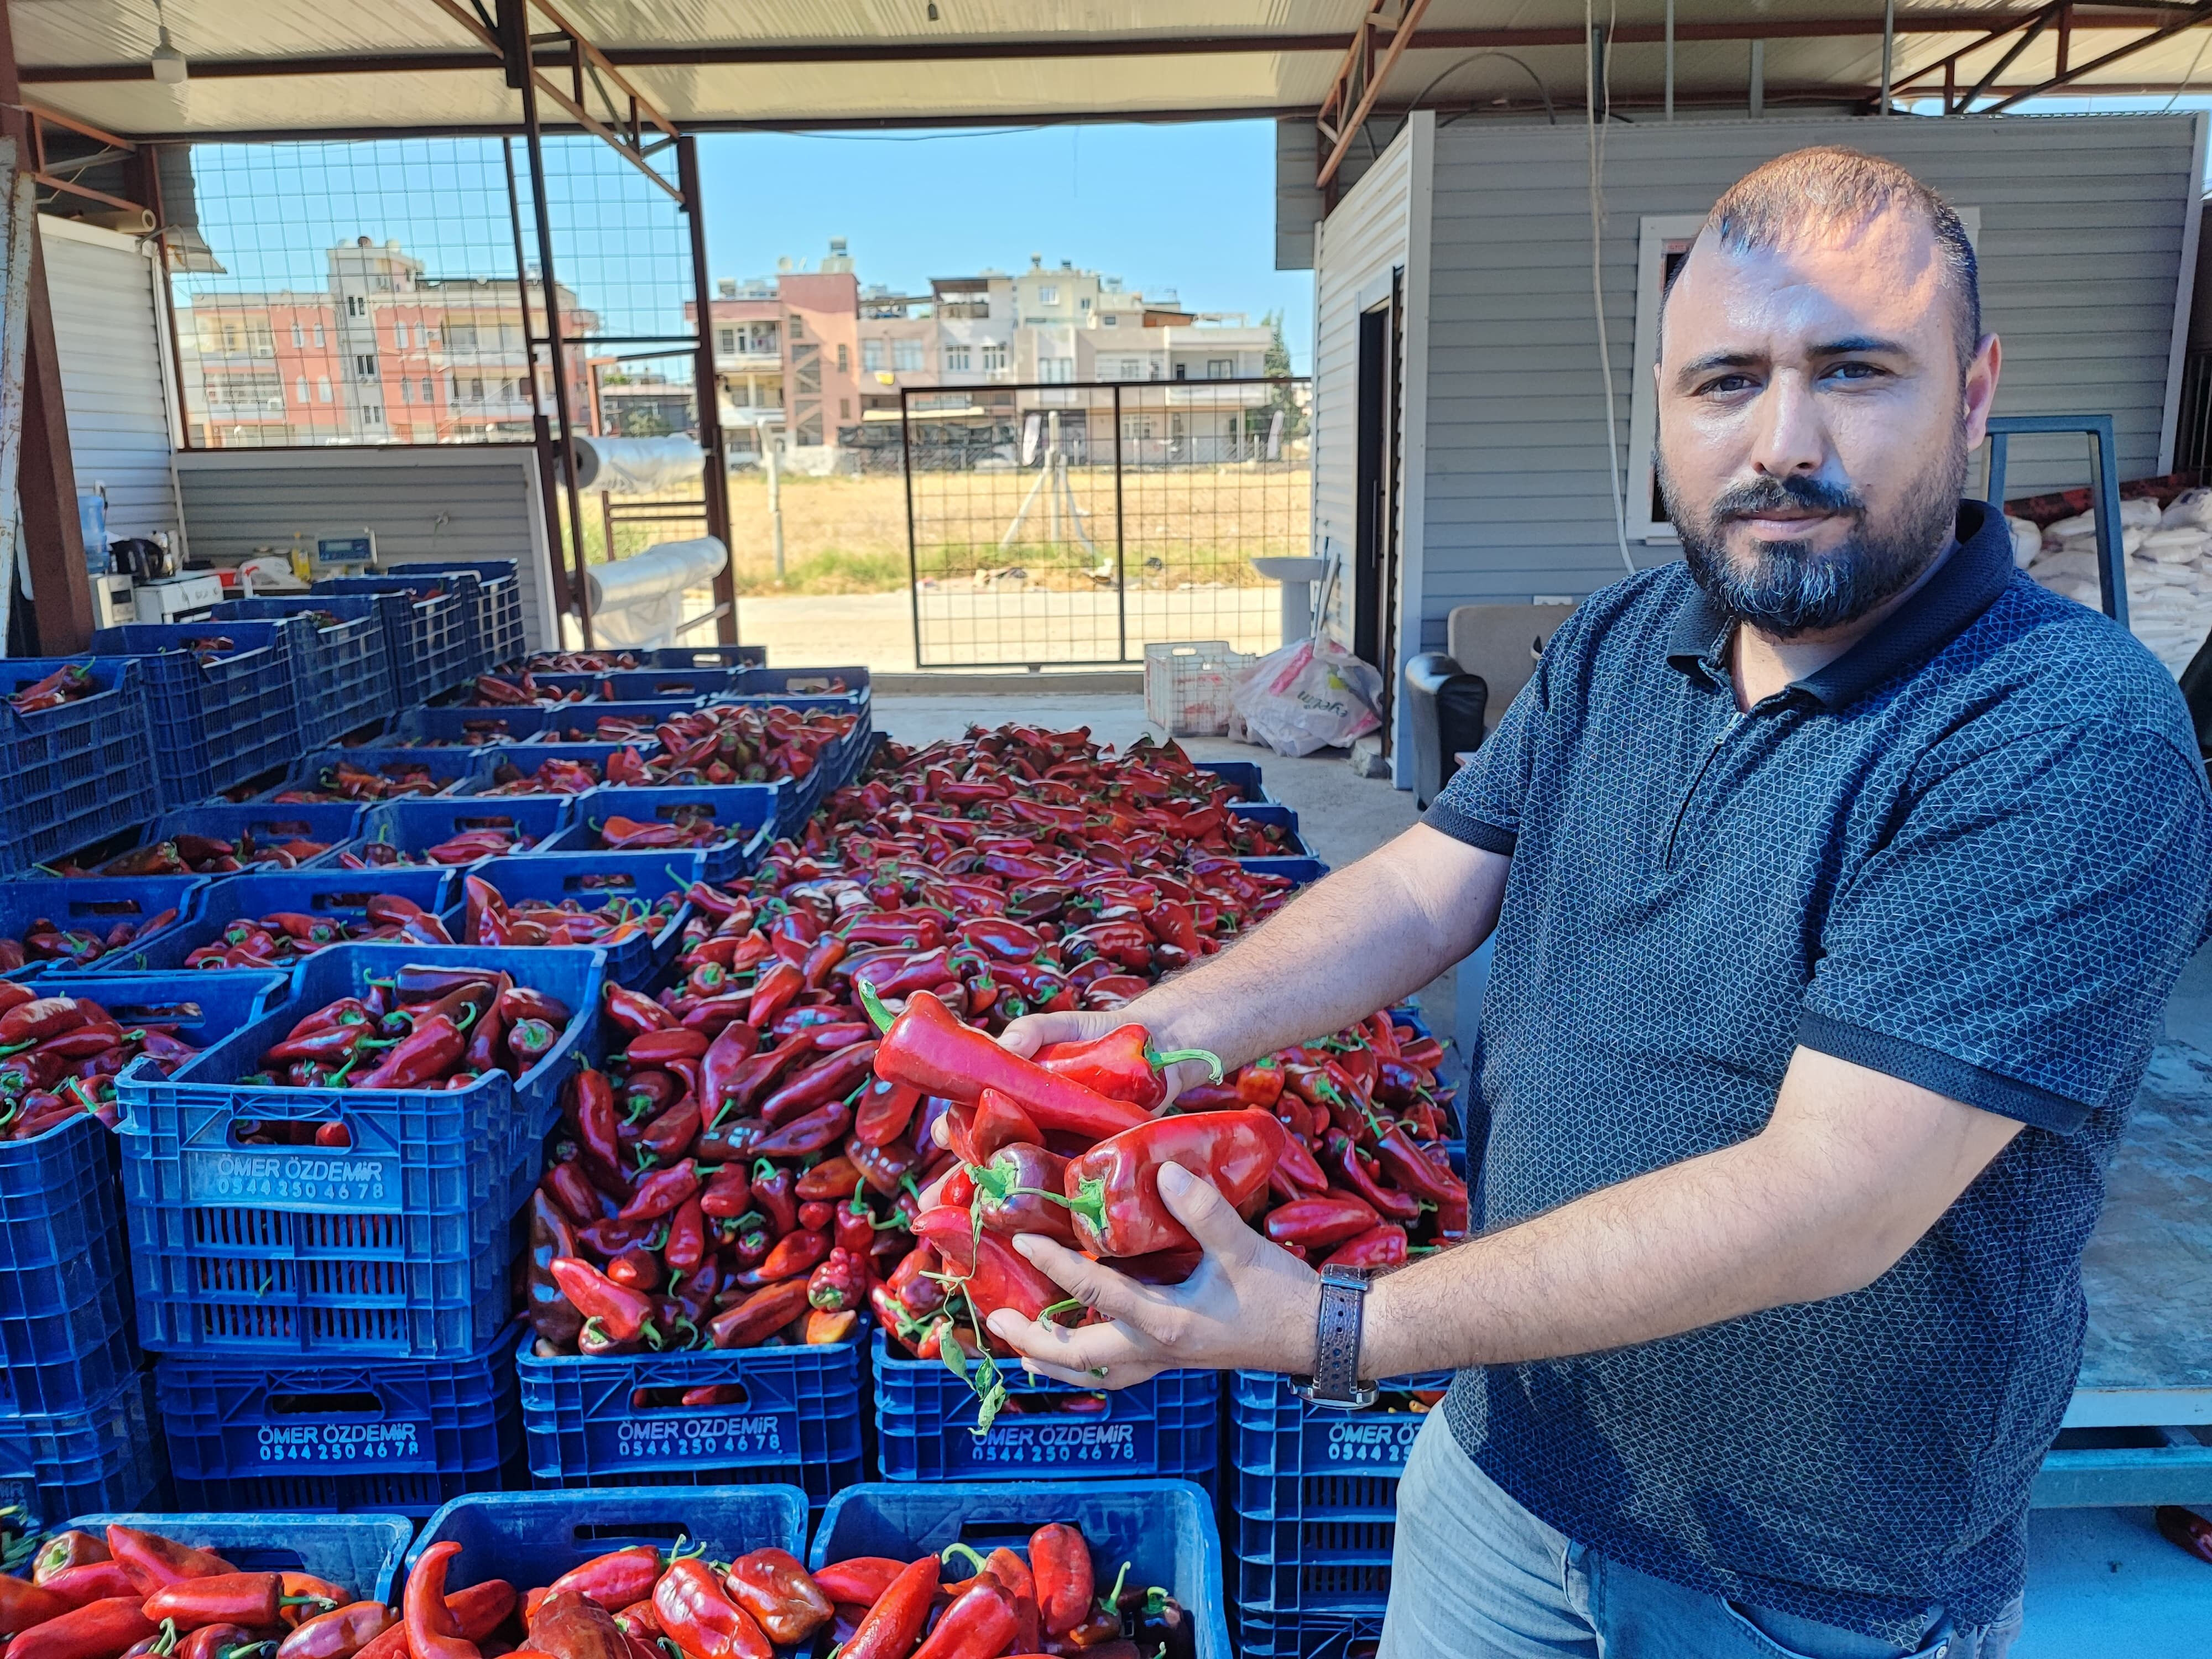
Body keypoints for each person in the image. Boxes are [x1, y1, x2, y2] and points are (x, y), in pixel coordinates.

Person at [976, 147, 2212, 1658]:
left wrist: (1339, 1328)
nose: (1784, 441)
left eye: (1856, 372)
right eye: (1725, 383)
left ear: (1972, 391)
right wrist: (1152, 1040)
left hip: (1800, 1586)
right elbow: (1424, 888)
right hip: (1506, 1476)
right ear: (1665, 413)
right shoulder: (1629, 636)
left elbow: (1827, 1202)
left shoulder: (2062, 732)